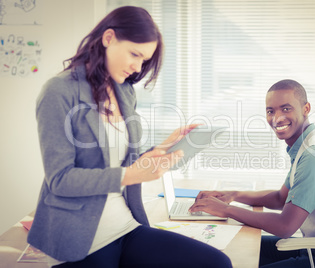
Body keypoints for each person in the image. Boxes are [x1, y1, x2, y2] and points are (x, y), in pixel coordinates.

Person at [27, 6, 232, 268]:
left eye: (144, 59)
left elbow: (123, 162)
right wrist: (131, 175)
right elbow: (60, 180)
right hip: (79, 240)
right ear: (108, 38)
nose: (138, 67)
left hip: (124, 225)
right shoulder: (59, 91)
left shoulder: (123, 90)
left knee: (217, 263)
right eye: (135, 54)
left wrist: (166, 145)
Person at [190, 79, 315, 268]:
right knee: (234, 248)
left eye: (286, 109)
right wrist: (232, 196)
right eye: (270, 111)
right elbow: (279, 198)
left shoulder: (314, 158)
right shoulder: (307, 145)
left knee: (238, 256)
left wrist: (225, 210)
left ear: (306, 108)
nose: (276, 118)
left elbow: (285, 226)